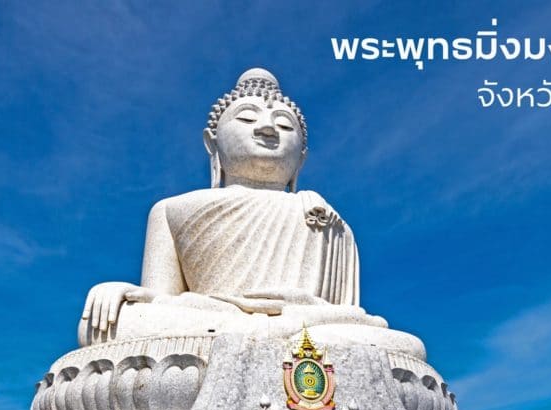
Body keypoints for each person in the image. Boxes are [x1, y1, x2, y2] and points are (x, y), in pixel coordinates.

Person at [76, 68, 423, 359]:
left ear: (301, 159)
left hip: (303, 327)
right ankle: (273, 332)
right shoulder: (171, 210)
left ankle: (272, 332)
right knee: (112, 325)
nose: (267, 129)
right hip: (215, 320)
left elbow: (345, 313)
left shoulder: (327, 219)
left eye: (285, 125)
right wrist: (121, 292)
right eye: (246, 118)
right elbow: (161, 300)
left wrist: (302, 310)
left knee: (407, 347)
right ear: (212, 143)